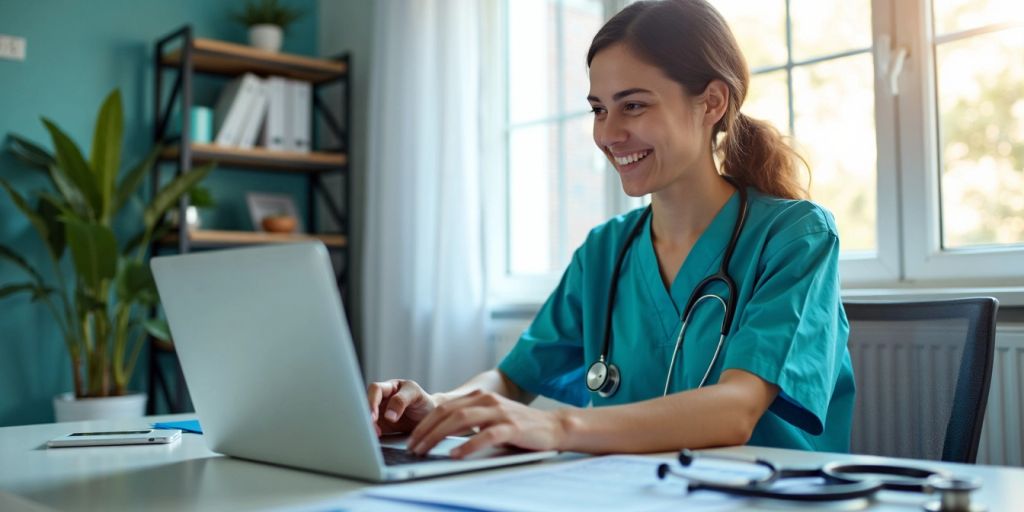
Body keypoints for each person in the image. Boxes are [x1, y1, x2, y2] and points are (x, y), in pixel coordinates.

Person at [366, 0, 854, 459]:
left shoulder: (796, 237)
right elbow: (512, 380)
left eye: (633, 106)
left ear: (711, 103)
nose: (607, 133)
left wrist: (557, 427)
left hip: (764, 495)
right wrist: (442, 407)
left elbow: (737, 409)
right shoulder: (606, 251)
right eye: (599, 109)